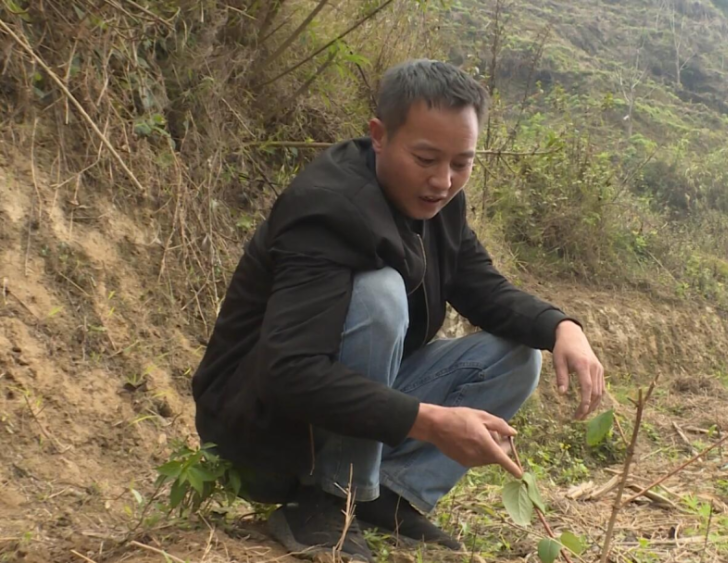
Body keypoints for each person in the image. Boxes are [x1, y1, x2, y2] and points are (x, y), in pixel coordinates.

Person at [190, 59, 604, 561]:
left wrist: (563, 327)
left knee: (518, 356)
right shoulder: (325, 210)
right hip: (259, 425)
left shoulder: (440, 202)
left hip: (333, 408)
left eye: (461, 163)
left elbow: (482, 288)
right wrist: (430, 421)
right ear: (380, 135)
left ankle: (386, 495)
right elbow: (288, 372)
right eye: (426, 158)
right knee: (380, 295)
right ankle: (325, 500)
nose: (443, 180)